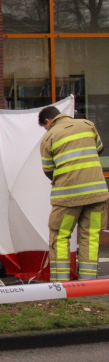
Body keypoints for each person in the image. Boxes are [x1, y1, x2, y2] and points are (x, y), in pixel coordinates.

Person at [39, 106, 109, 281]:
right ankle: (88, 282)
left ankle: (61, 283)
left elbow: (48, 170)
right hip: (96, 193)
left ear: (48, 121)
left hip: (68, 197)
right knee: (91, 236)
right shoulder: (87, 124)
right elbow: (99, 148)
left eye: (45, 126)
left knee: (60, 236)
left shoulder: (49, 136)